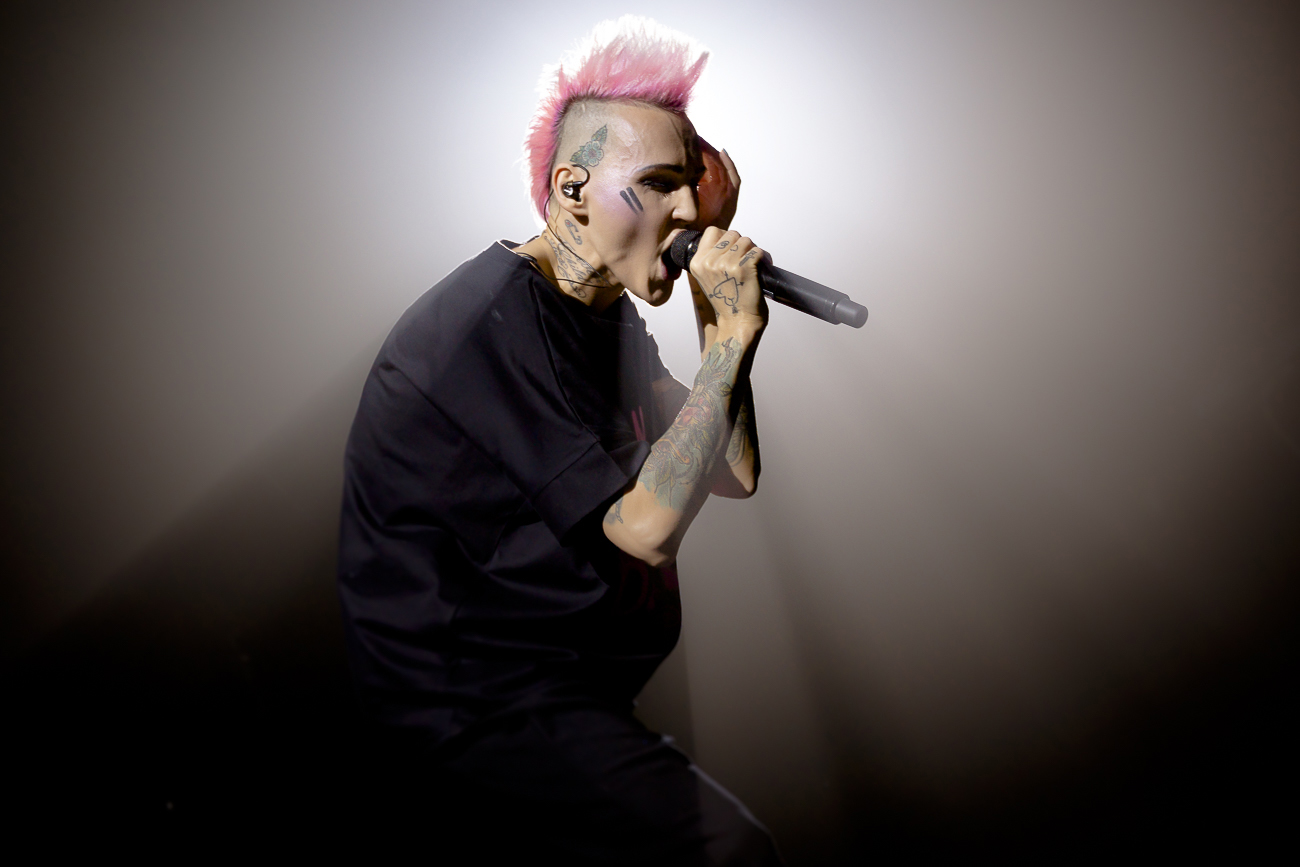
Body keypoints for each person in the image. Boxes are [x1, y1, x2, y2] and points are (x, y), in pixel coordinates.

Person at [337, 16, 783, 865]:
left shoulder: (598, 309)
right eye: (658, 184)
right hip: (472, 706)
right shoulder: (486, 325)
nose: (688, 211)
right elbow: (645, 528)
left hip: (560, 689)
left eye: (690, 187)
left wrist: (715, 319)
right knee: (730, 852)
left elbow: (730, 469)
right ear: (573, 186)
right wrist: (730, 339)